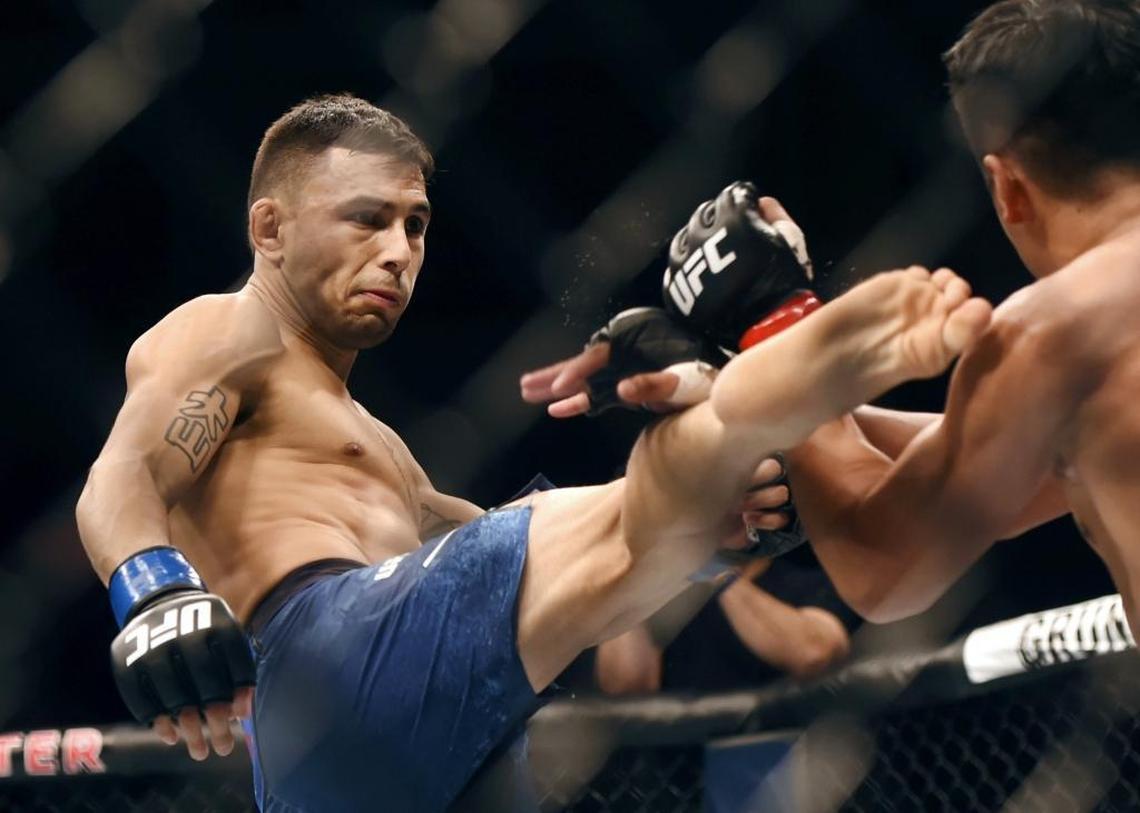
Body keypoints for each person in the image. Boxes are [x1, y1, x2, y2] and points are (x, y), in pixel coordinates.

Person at [74, 93, 990, 812]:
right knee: (626, 510)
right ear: (269, 229)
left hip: (369, 759)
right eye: (366, 219)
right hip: (322, 654)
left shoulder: (381, 454)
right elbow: (122, 477)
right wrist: (151, 590)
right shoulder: (229, 331)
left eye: (416, 225)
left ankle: (718, 418)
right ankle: (765, 352)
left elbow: (519, 557)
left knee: (613, 528)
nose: (399, 252)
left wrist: (713, 538)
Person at [530, 0, 1140, 637]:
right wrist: (746, 386)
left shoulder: (1056, 332)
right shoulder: (1084, 364)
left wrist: (778, 327)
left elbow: (886, 565)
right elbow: (987, 450)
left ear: (1006, 185)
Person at [593, 556, 853, 694]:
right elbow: (623, 685)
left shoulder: (806, 581)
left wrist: (719, 571)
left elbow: (813, 653)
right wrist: (635, 578)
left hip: (791, 766)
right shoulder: (666, 599)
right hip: (687, 777)